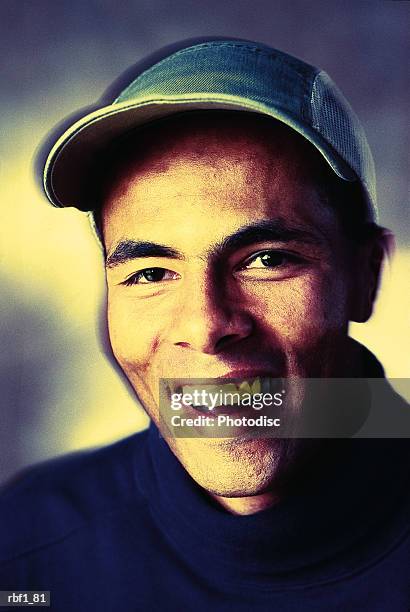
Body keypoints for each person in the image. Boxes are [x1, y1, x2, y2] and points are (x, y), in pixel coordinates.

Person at [1, 39, 409, 611]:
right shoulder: (24, 551)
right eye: (150, 272)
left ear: (366, 277)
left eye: (267, 259)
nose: (205, 325)